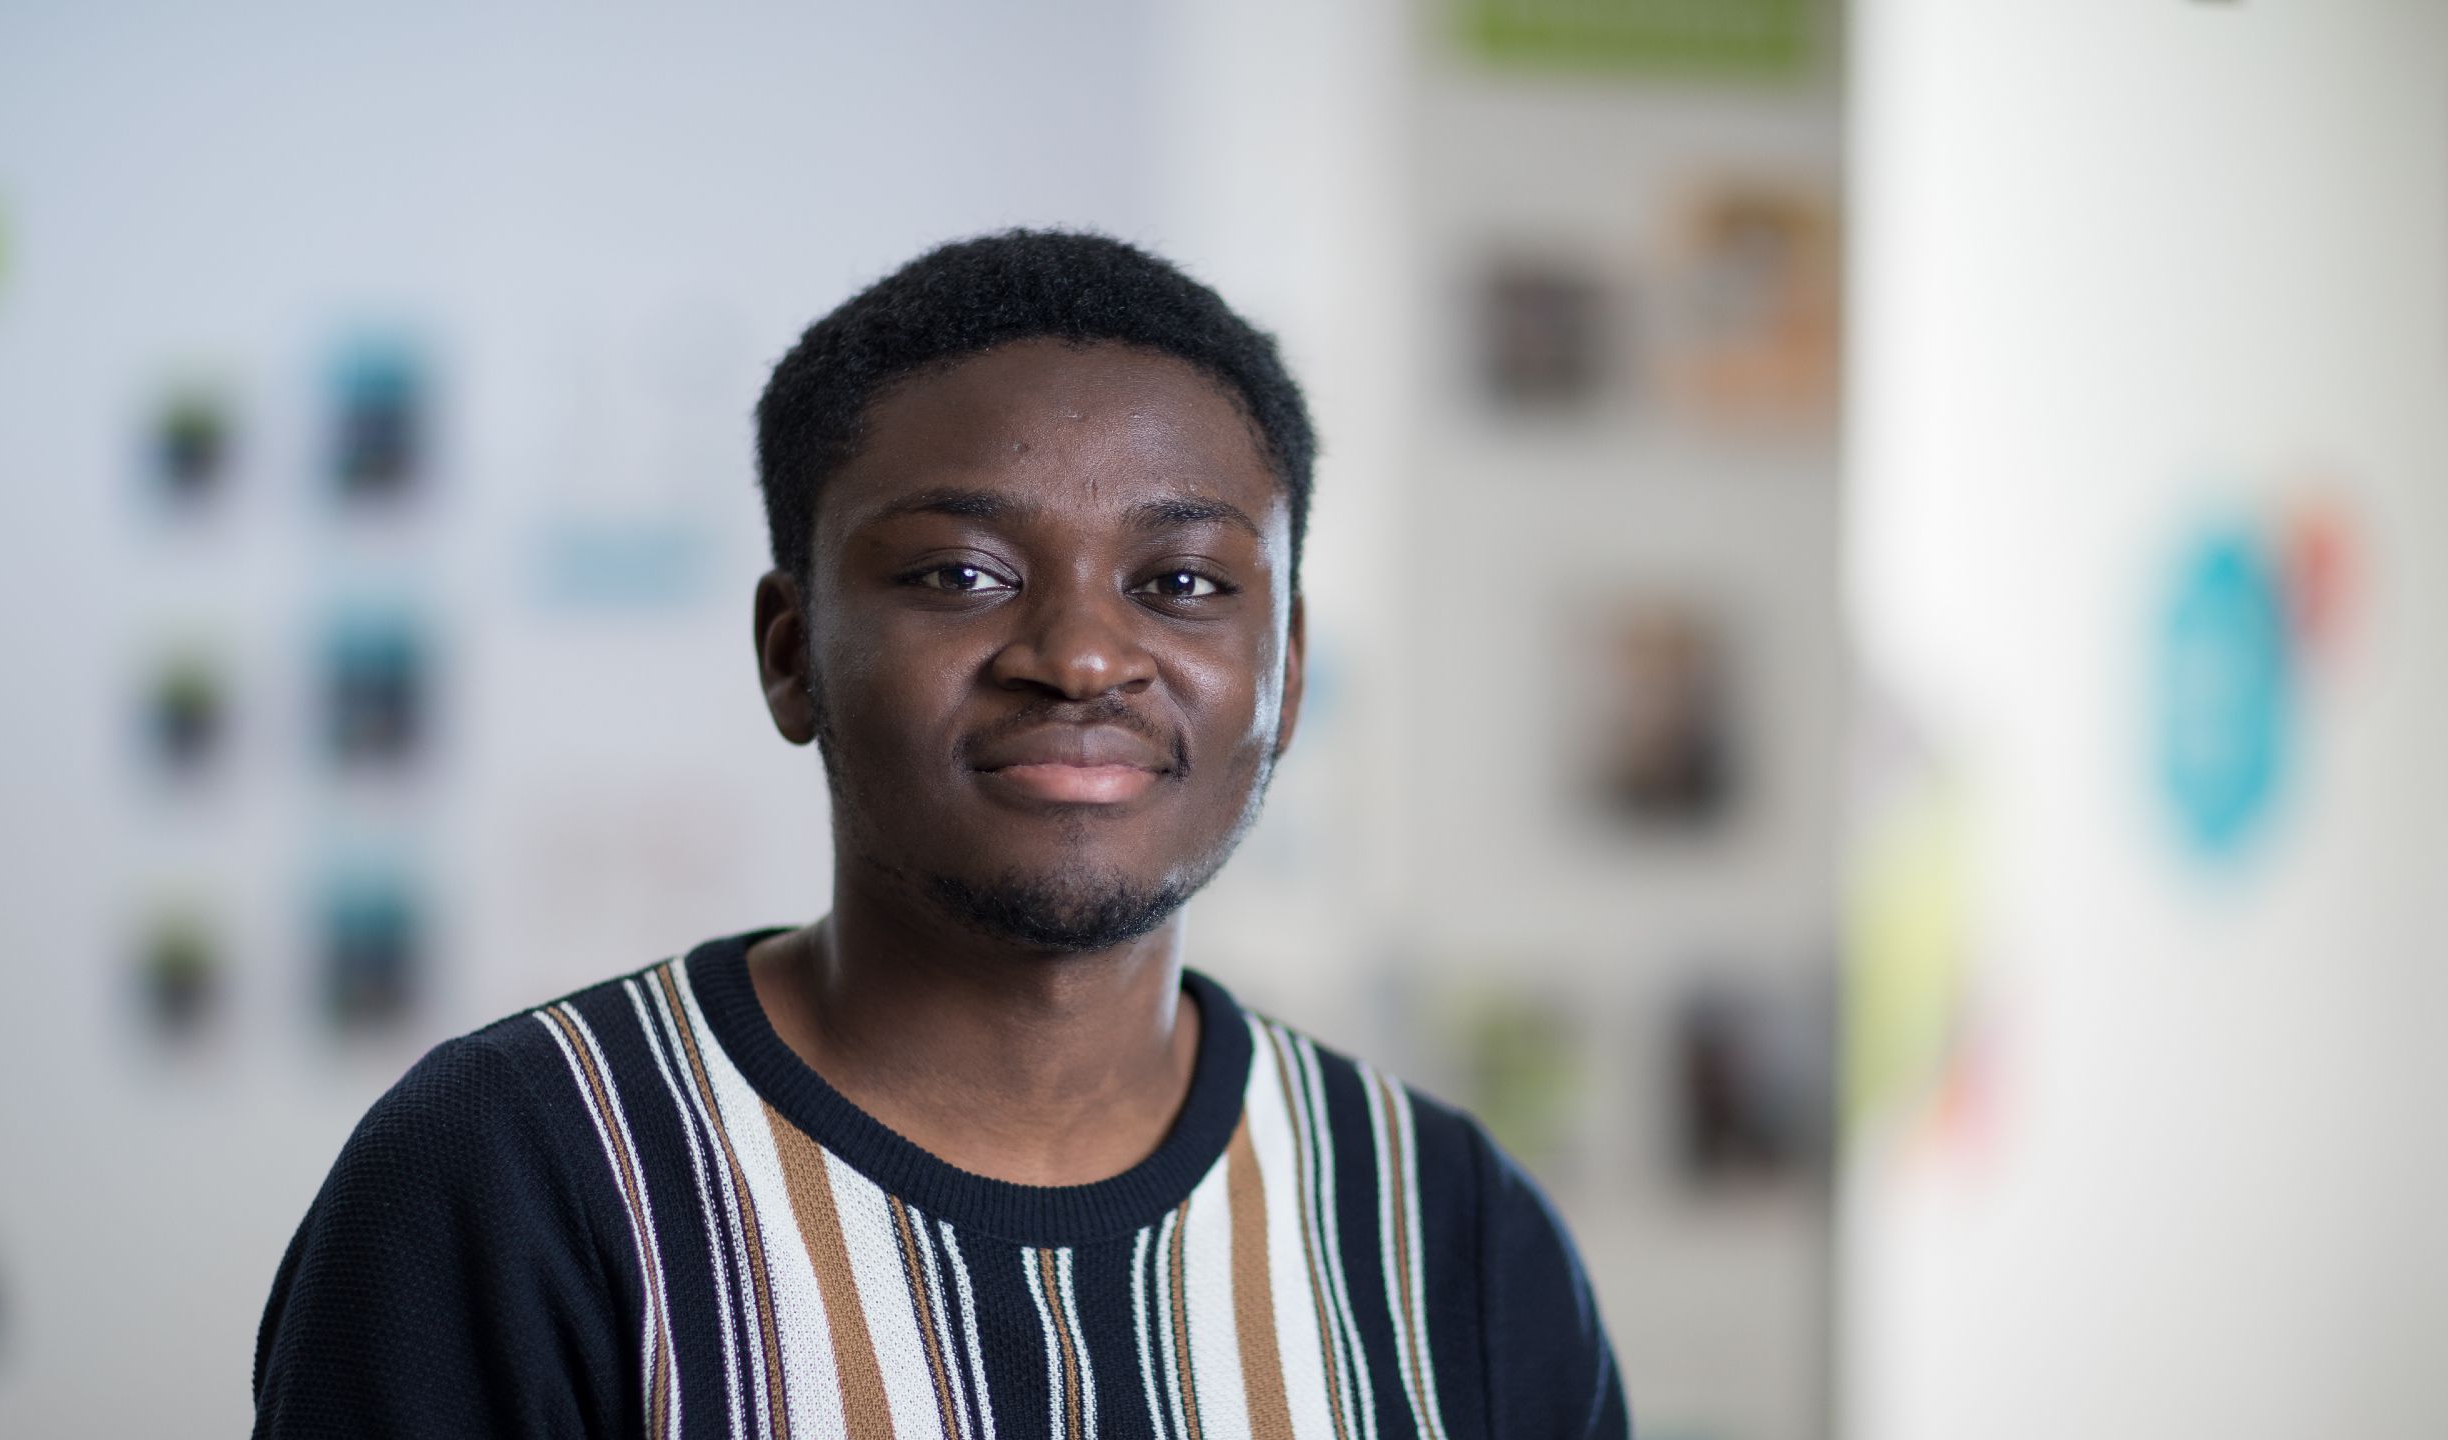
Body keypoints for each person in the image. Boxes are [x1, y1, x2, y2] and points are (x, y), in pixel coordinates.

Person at [251, 230, 1628, 1439]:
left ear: (1288, 665)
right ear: (791, 654)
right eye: (961, 573)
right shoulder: (519, 1169)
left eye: (1184, 581)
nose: (1084, 657)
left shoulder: (1440, 1225)